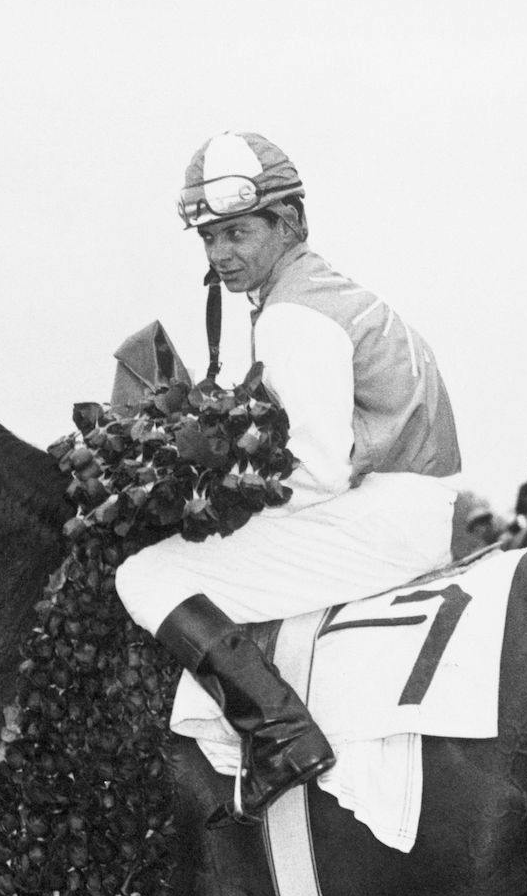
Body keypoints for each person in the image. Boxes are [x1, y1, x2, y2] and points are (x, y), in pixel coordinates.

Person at [114, 131, 463, 825]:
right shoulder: (323, 290)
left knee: (147, 576)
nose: (220, 255)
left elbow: (315, 474)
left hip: (381, 517)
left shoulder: (293, 315)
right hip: (405, 503)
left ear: (290, 223)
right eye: (209, 239)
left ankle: (281, 736)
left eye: (238, 233)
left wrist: (207, 510)